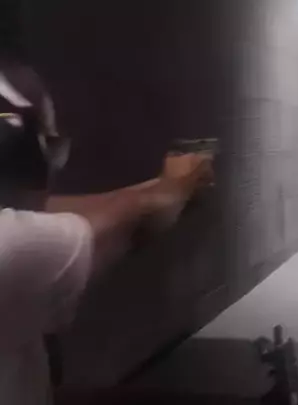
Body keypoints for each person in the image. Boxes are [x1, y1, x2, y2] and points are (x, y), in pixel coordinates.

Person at [0, 52, 213, 405]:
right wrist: (174, 189)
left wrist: (161, 186)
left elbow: (37, 213)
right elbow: (129, 224)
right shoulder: (14, 249)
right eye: (53, 144)